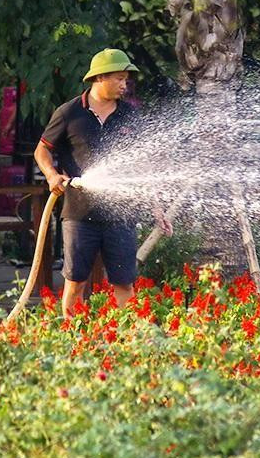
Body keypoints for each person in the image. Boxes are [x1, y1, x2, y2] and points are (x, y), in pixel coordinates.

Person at [34, 48, 171, 317]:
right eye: (119, 78)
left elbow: (144, 166)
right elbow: (42, 150)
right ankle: (74, 342)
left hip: (121, 214)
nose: (125, 84)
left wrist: (156, 208)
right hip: (79, 213)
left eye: (126, 79)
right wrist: (52, 175)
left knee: (124, 284)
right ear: (99, 78)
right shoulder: (69, 112)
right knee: (76, 282)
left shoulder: (130, 116)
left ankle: (125, 342)